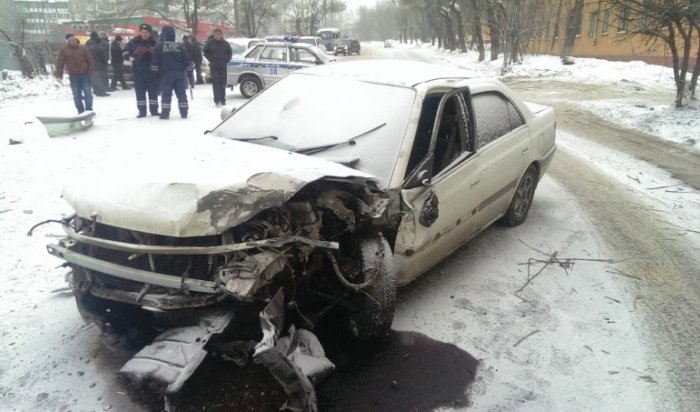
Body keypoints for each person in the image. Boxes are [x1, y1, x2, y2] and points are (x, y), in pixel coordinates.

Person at [151, 26, 194, 119]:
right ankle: (184, 112)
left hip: (166, 74)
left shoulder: (159, 46)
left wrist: (154, 74)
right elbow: (187, 61)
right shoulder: (180, 46)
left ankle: (165, 113)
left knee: (166, 94)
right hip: (180, 74)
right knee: (181, 93)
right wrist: (190, 74)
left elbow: (154, 62)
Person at [123, 23, 159, 118]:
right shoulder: (133, 42)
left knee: (153, 92)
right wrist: (130, 56)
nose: (144, 34)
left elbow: (160, 54)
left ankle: (154, 110)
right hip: (138, 71)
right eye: (142, 32)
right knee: (140, 92)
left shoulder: (154, 43)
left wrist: (153, 52)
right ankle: (142, 112)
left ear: (150, 33)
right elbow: (125, 52)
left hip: (151, 72)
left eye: (146, 32)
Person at [55, 34, 94, 114]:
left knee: (88, 93)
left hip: (85, 74)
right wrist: (59, 75)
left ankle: (89, 110)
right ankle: (80, 111)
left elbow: (90, 59)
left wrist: (90, 70)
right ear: (68, 42)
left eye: (75, 40)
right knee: (77, 95)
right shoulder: (64, 50)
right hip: (74, 76)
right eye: (72, 40)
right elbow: (60, 63)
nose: (74, 42)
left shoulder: (83, 48)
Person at [203, 28, 232, 107]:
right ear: (214, 35)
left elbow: (229, 53)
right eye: (216, 34)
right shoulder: (210, 43)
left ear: (221, 35)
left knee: (223, 84)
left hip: (222, 67)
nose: (217, 36)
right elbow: (205, 52)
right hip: (214, 67)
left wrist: (226, 60)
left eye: (219, 34)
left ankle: (223, 100)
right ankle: (217, 100)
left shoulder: (225, 43)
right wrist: (210, 59)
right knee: (216, 84)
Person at [87, 32, 109, 96]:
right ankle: (102, 92)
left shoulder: (90, 48)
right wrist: (105, 65)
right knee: (101, 79)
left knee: (95, 79)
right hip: (101, 66)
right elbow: (104, 58)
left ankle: (96, 90)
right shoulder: (102, 48)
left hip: (93, 65)